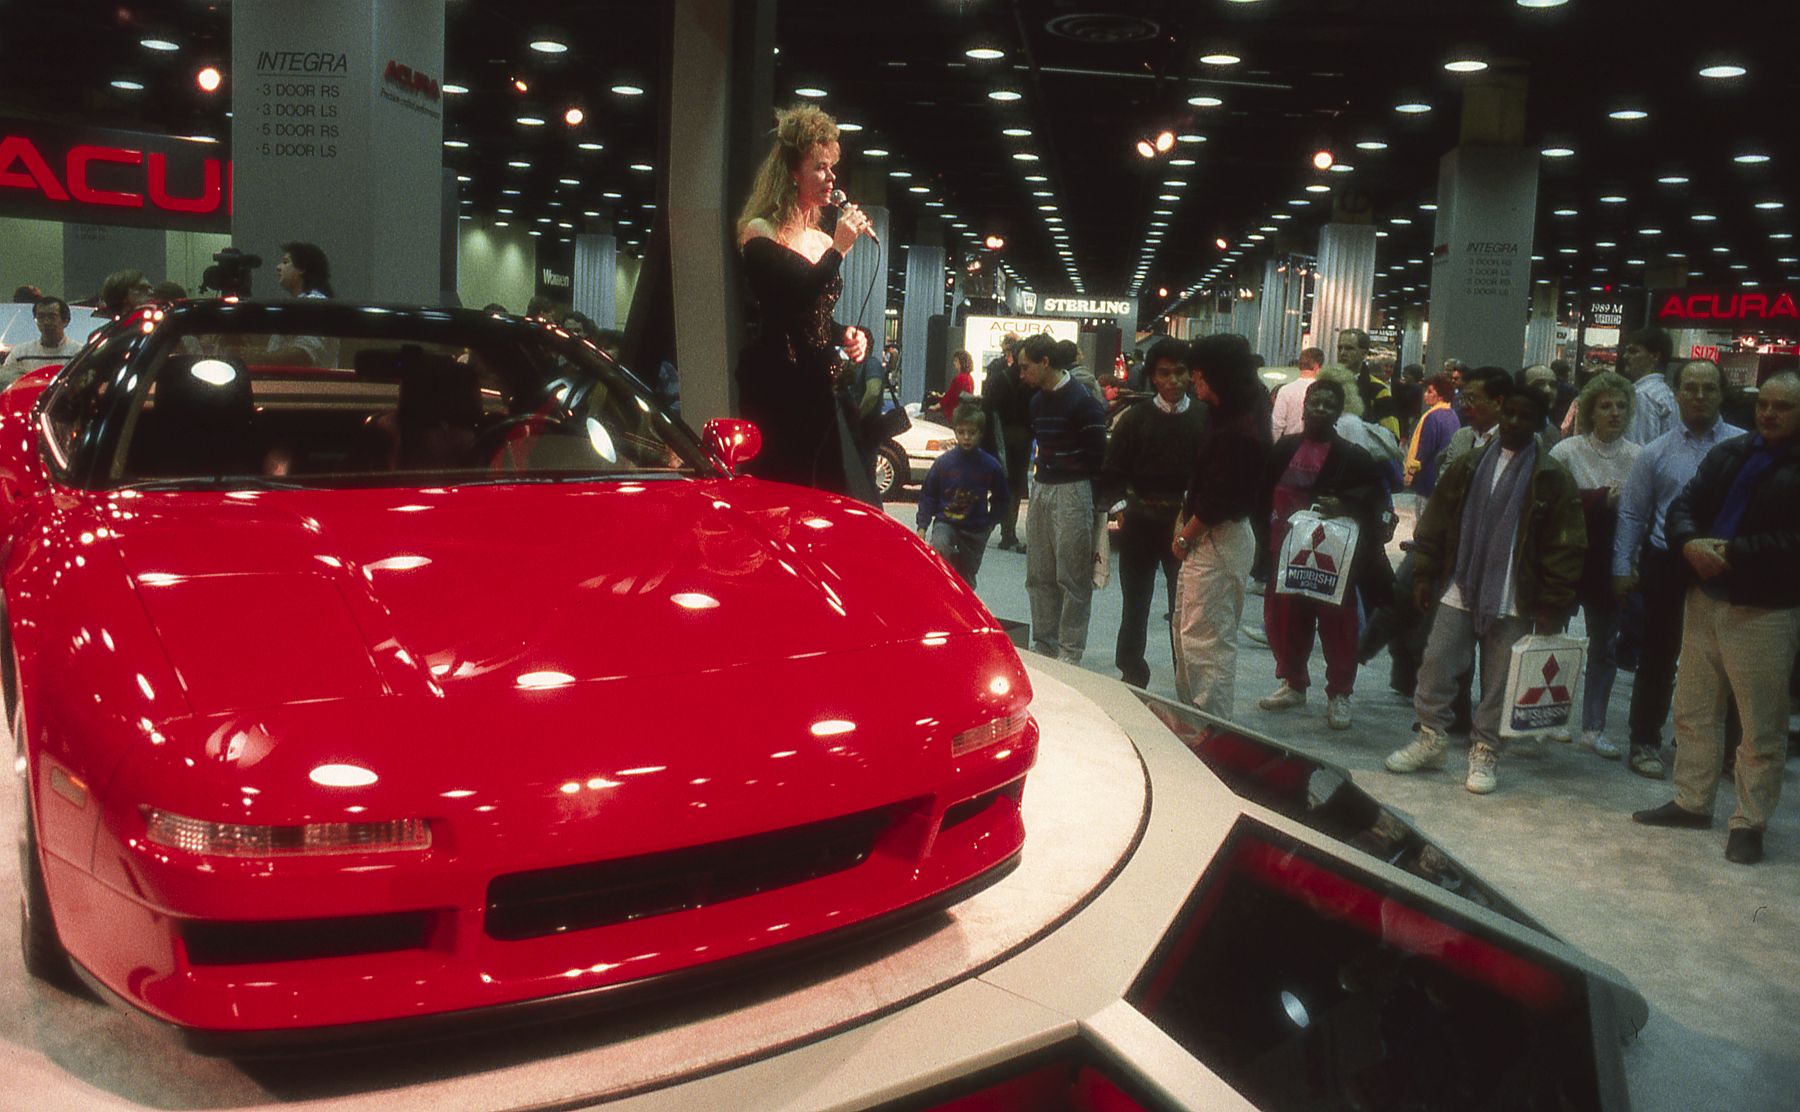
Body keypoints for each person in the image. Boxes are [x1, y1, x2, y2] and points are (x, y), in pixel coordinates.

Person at [1632, 372, 1800, 865]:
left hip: (1764, 609)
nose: (1769, 413)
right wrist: (1689, 542)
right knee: (1695, 710)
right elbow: (1685, 504)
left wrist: (1733, 553)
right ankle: (1692, 801)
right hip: (1705, 599)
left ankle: (1749, 821)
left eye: (1783, 407)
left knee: (1760, 727)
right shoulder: (1732, 452)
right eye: (1764, 403)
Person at [1385, 381, 1585, 794]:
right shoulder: (1469, 464)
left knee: (1499, 680)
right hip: (1461, 585)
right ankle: (1431, 737)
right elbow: (1436, 522)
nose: (1513, 422)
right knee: (1436, 663)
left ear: (1538, 424)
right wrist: (1424, 574)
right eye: (1508, 413)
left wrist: (1554, 602)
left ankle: (1485, 750)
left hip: (1516, 595)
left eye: (1523, 416)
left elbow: (1566, 545)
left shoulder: (1552, 476)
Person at [732, 104, 876, 500]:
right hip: (778, 387)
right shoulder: (759, 233)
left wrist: (850, 333)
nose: (831, 177)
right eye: (820, 167)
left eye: (832, 167)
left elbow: (816, 315)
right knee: (782, 494)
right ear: (792, 173)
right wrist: (840, 250)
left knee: (835, 496)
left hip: (820, 385)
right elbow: (795, 298)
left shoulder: (821, 240)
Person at [1612, 359, 1745, 778]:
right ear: (1677, 394)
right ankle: (1644, 739)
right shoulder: (1656, 452)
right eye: (1691, 388)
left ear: (1721, 394)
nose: (1699, 396)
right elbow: (1633, 514)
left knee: (1725, 660)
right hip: (1667, 562)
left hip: (1727, 563)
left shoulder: (1745, 448)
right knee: (1658, 653)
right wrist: (1622, 567)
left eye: (1708, 388)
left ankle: (1721, 747)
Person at [1258, 378, 1386, 729]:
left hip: (1332, 559)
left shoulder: (1353, 456)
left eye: (1329, 405)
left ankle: (1340, 693)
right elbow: (1262, 492)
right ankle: (1293, 684)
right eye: (1315, 403)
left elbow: (1377, 501)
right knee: (1286, 622)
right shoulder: (1284, 448)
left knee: (1337, 627)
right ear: (1304, 406)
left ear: (1338, 411)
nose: (1320, 410)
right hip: (1285, 551)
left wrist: (1345, 503)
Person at [1170, 333, 1272, 717]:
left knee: (1206, 642)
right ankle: (1193, 719)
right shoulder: (1229, 410)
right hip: (1208, 533)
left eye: (1198, 377)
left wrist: (1184, 534)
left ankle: (1209, 727)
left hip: (1219, 536)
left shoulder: (1242, 429)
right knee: (1187, 632)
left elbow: (1221, 499)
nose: (1192, 385)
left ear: (1220, 376)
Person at [1100, 338, 1206, 688]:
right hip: (1140, 525)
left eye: (1180, 373)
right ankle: (1132, 671)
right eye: (1164, 373)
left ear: (1191, 375)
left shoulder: (1204, 419)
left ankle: (1185, 678)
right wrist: (1120, 510)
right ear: (1153, 377)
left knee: (1184, 609)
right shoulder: (1136, 419)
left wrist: (1194, 523)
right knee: (1136, 603)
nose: (1173, 380)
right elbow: (1111, 471)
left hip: (1186, 527)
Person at [1548, 372, 1641, 758]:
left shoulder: (1639, 457)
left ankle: (1594, 726)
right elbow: (1551, 503)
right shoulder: (1567, 452)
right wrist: (1600, 499)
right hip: (1570, 558)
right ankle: (1548, 716)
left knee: (1604, 646)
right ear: (1589, 410)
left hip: (1610, 562)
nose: (1614, 412)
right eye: (1605, 405)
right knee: (1553, 638)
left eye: (1620, 405)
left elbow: (1641, 516)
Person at [1021, 332, 1108, 663]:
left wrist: (1097, 505)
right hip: (1042, 487)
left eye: (1026, 367)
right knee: (1039, 574)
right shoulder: (1036, 402)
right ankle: (1044, 645)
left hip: (1074, 490)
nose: (1022, 374)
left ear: (1045, 363)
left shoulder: (1084, 402)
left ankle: (1070, 652)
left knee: (1071, 577)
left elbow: (1097, 456)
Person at [916, 406, 1009, 588]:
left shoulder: (990, 465)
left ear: (980, 434)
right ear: (955, 432)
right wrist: (922, 526)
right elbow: (928, 495)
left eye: (972, 433)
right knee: (939, 550)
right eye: (961, 432)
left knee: (967, 574)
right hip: (946, 522)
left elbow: (1002, 497)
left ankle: (963, 604)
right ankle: (942, 591)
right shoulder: (944, 463)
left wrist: (991, 522)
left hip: (975, 528)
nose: (966, 437)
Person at [264, 241, 336, 367]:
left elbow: (303, 354)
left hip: (307, 385)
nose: (278, 267)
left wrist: (258, 358)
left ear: (302, 268)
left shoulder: (315, 305)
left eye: (286, 262)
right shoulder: (302, 303)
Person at [0, 296, 84, 386]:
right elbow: (5, 383)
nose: (46, 322)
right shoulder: (20, 354)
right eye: (41, 317)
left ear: (65, 321)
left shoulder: (79, 354)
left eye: (52, 317)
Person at [1336, 327, 1400, 440]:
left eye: (1349, 348)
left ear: (1364, 353)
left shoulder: (1378, 389)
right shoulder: (1325, 384)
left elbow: (1392, 437)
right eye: (1340, 348)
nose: (1342, 353)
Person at [1405, 372, 1460, 497]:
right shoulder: (1452, 414)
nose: (1425, 395)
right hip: (1444, 476)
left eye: (1429, 392)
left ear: (1440, 396)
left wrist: (1411, 471)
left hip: (1428, 476)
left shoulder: (1432, 417)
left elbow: (1425, 449)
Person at [1620, 326, 1676, 445]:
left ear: (1655, 356)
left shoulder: (1642, 395)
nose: (1625, 356)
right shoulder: (1667, 393)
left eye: (1633, 351)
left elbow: (1639, 449)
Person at [1269, 346, 1322, 439]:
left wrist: (1276, 449)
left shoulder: (1285, 390)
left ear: (1299, 365)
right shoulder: (1321, 391)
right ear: (1317, 367)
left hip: (1289, 447)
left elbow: (1276, 426)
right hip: (1316, 447)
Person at [940, 349, 976, 422]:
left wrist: (935, 406)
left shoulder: (959, 378)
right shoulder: (970, 378)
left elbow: (949, 397)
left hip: (952, 414)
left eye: (956, 361)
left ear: (962, 362)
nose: (954, 363)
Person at [1393, 362, 1425, 436]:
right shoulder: (1416, 387)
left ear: (1414, 376)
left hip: (1409, 421)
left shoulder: (1416, 388)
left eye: (1407, 374)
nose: (1404, 376)